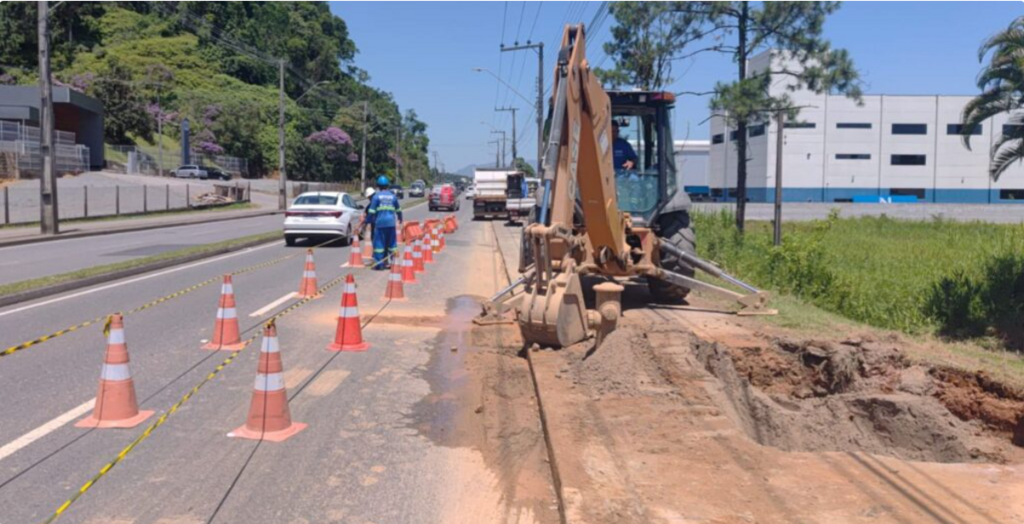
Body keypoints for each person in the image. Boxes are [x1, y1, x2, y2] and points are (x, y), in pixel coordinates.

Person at [363, 175, 403, 270]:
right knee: (392, 245)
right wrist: (400, 218)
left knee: (379, 245)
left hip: (380, 224)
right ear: (388, 185)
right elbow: (398, 209)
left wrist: (367, 221)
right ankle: (394, 263)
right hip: (391, 224)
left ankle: (380, 265)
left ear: (378, 186)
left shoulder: (376, 197)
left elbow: (371, 212)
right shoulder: (393, 196)